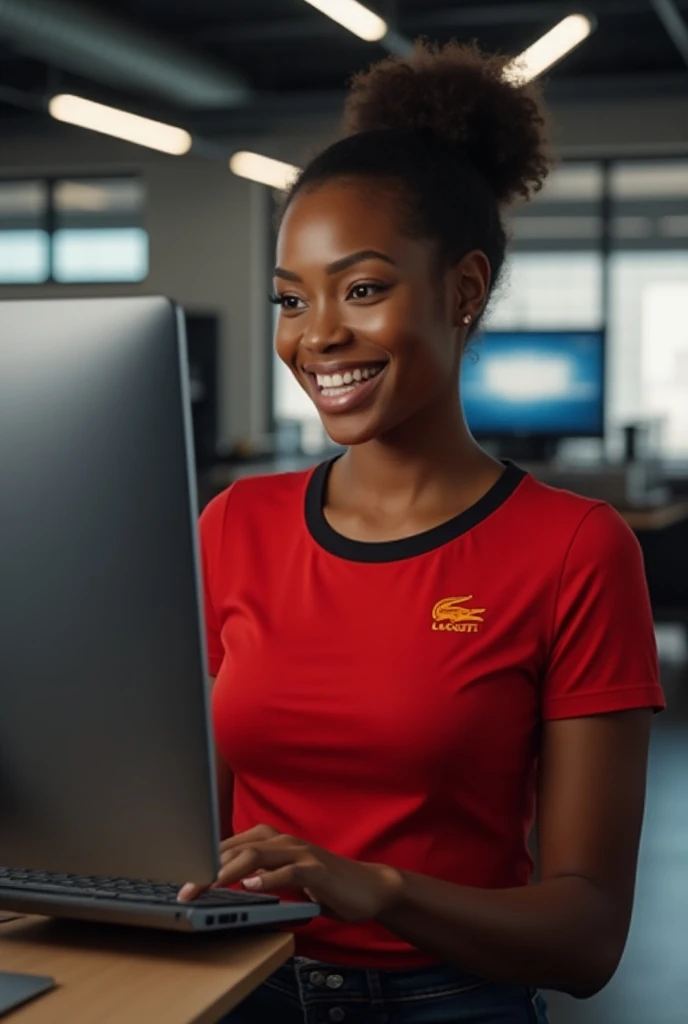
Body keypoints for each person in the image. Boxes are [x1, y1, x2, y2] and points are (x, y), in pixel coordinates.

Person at [179, 41, 665, 1024]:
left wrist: (376, 886)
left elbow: (586, 937)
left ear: (463, 289)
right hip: (231, 989)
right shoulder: (235, 525)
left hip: (444, 1004)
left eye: (361, 288)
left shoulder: (575, 548)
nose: (314, 335)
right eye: (290, 297)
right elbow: (183, 821)